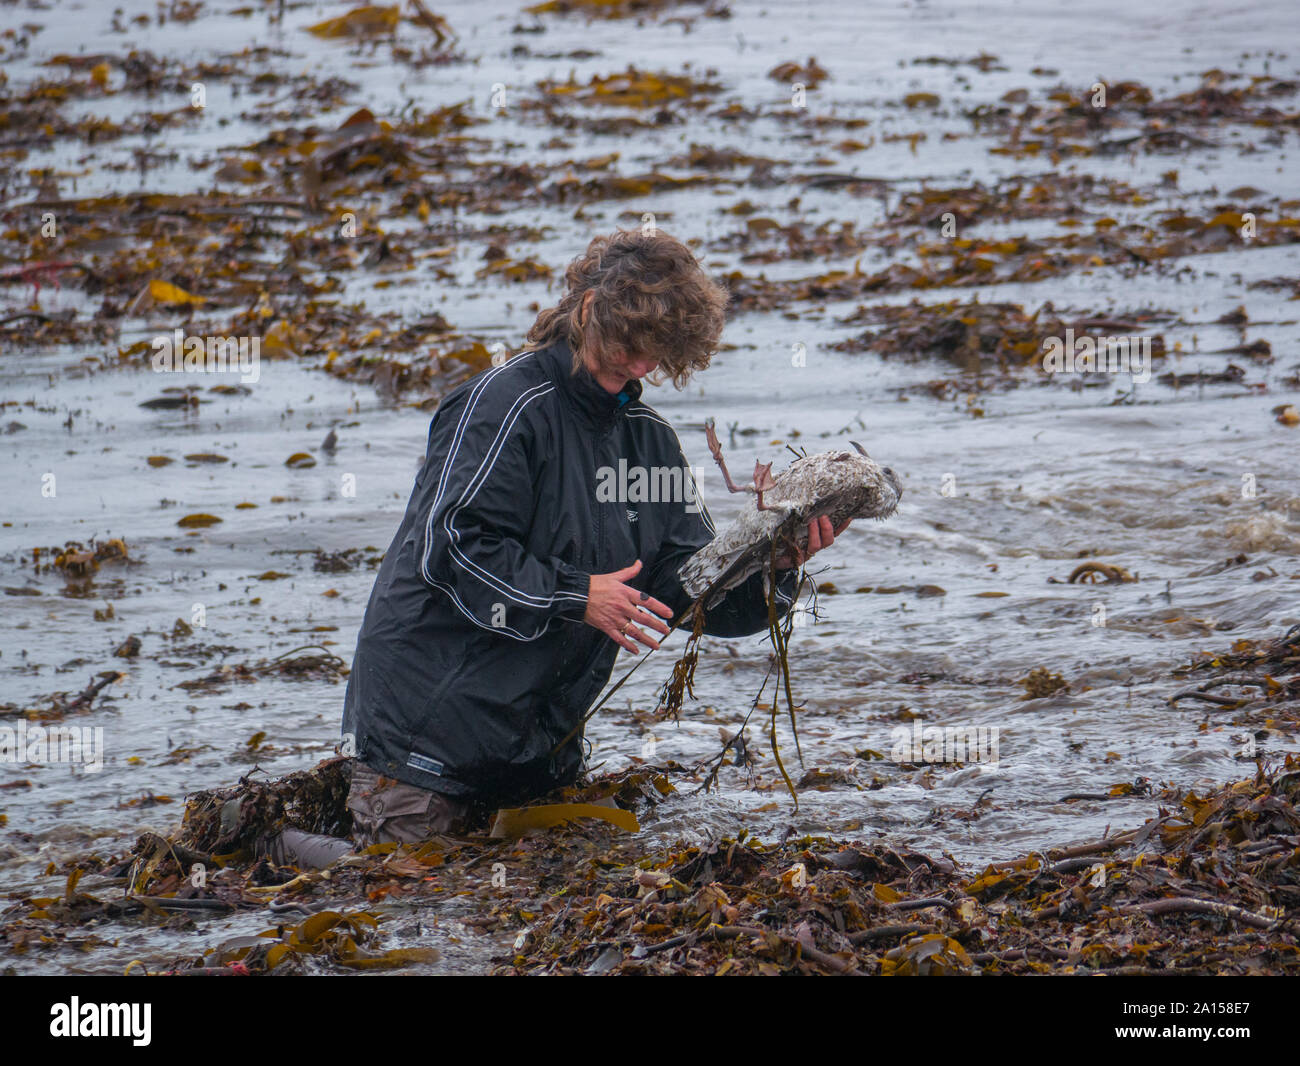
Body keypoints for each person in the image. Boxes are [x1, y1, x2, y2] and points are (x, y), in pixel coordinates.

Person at [286, 228, 849, 862]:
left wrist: (775, 564)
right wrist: (576, 594)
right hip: (427, 737)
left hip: (538, 757)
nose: (638, 367)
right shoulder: (504, 406)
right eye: (629, 345)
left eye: (656, 355)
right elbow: (454, 548)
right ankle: (280, 847)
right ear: (586, 309)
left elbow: (690, 593)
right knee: (397, 898)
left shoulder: (650, 443)